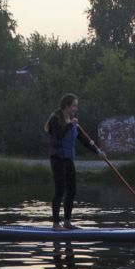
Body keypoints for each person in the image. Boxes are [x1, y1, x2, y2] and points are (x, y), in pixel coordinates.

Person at [44, 93, 98, 229]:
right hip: (57, 159)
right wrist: (70, 124)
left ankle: (67, 222)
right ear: (67, 105)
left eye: (76, 106)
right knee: (60, 191)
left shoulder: (73, 122)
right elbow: (59, 134)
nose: (76, 108)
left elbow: (85, 141)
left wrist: (98, 152)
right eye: (74, 106)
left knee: (72, 190)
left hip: (68, 160)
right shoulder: (55, 119)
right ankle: (56, 224)